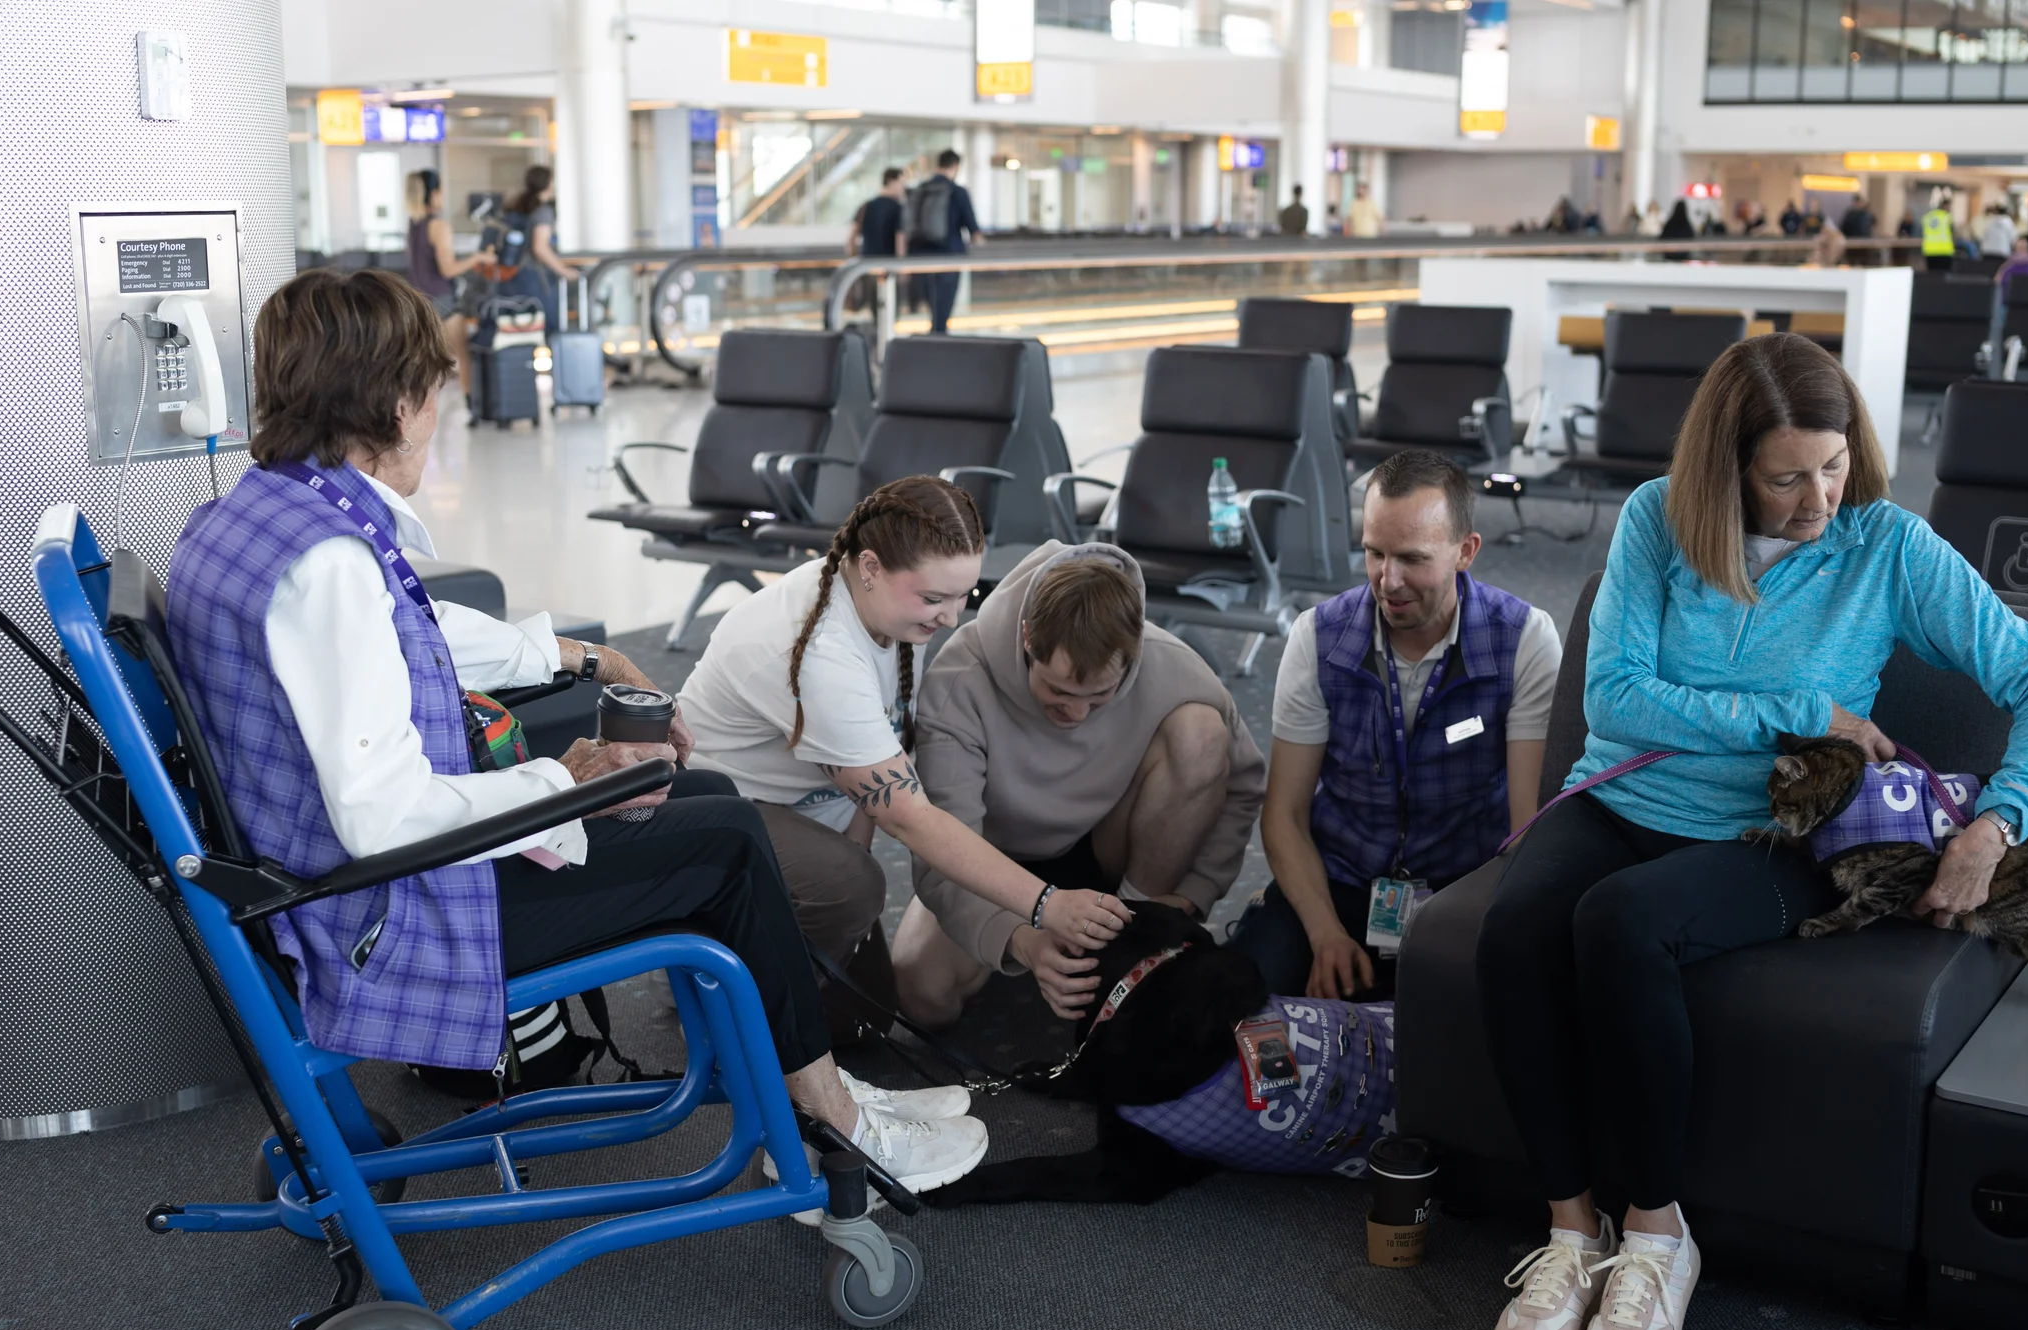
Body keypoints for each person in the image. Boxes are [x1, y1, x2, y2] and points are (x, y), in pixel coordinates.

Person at [159, 267, 989, 1191]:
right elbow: (380, 817)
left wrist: (573, 658)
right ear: (399, 404)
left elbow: (400, 646)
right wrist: (567, 780)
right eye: (438, 393)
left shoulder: (250, 518)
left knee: (704, 796)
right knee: (727, 841)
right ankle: (829, 1121)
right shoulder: (332, 566)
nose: (441, 416)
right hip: (390, 917)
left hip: (327, 891)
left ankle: (808, 1082)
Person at [1477, 332, 2028, 1330]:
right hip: (1624, 797)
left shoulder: (1886, 546)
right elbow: (1614, 696)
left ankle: (1658, 1237)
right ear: (1728, 470)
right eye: (1788, 478)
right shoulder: (1658, 520)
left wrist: (1996, 824)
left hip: (1775, 832)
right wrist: (1809, 711)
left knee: (1620, 925)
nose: (1821, 501)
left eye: (1837, 465)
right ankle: (1571, 1233)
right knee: (1510, 929)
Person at [678, 479, 1134, 1012]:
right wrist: (1046, 905)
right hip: (711, 815)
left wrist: (851, 867)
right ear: (870, 567)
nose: (951, 617)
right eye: (935, 598)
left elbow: (880, 752)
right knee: (850, 886)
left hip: (800, 815)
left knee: (865, 1016)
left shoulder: (885, 611)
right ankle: (717, 1003)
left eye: (964, 595)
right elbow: (907, 816)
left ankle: (765, 976)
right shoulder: (820, 650)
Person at [892, 542, 1268, 1024]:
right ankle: (1046, 957)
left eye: (1100, 696)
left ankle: (1134, 930)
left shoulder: (1173, 664)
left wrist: (1194, 893)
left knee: (1201, 732)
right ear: (1028, 638)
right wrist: (1025, 941)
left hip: (1110, 844)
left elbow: (1241, 786)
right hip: (996, 862)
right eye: (1057, 691)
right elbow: (939, 852)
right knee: (922, 997)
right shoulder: (959, 681)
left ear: (1131, 657)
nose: (1075, 713)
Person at [1233, 449, 1559, 1000]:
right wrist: (1324, 934)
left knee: (1487, 1019)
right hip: (1338, 876)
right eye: (1374, 553)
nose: (1389, 580)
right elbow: (1285, 814)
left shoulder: (1524, 640)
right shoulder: (1317, 637)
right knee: (1238, 1000)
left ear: (1466, 551)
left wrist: (1455, 936)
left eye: (1412, 558)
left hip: (1465, 883)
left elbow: (1525, 832)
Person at [403, 171, 494, 407]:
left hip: (420, 298)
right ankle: (471, 405)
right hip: (442, 298)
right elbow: (448, 269)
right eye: (441, 191)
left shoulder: (414, 224)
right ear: (433, 194)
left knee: (427, 361)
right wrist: (478, 257)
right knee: (462, 355)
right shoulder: (439, 225)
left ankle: (419, 408)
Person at [904, 150, 982, 334]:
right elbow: (974, 231)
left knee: (933, 306)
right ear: (955, 166)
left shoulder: (920, 189)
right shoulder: (958, 192)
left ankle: (934, 340)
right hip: (949, 256)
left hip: (921, 258)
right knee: (943, 310)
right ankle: (939, 341)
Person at [496, 164, 576, 338]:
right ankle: (555, 365)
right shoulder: (543, 211)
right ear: (548, 184)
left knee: (523, 330)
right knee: (550, 328)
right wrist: (563, 270)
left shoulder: (518, 206)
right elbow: (539, 247)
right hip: (536, 278)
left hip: (514, 278)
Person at [847, 167, 908, 260]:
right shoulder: (898, 209)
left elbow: (851, 239)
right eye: (901, 183)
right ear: (891, 181)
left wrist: (854, 261)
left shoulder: (866, 206)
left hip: (866, 265)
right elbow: (900, 241)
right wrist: (902, 270)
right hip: (888, 265)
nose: (903, 188)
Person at [1921, 189, 1957, 272]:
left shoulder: (1928, 216)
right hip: (1944, 251)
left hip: (1929, 251)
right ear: (1945, 206)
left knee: (1932, 276)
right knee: (1943, 278)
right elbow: (1953, 233)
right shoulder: (1947, 217)